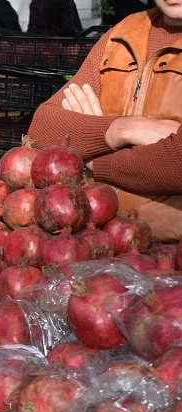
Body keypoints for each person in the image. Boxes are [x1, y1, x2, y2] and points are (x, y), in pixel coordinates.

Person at [27, 1, 182, 241]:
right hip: (99, 242)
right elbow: (41, 130)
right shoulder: (124, 34)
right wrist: (124, 128)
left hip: (171, 251)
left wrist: (91, 158)